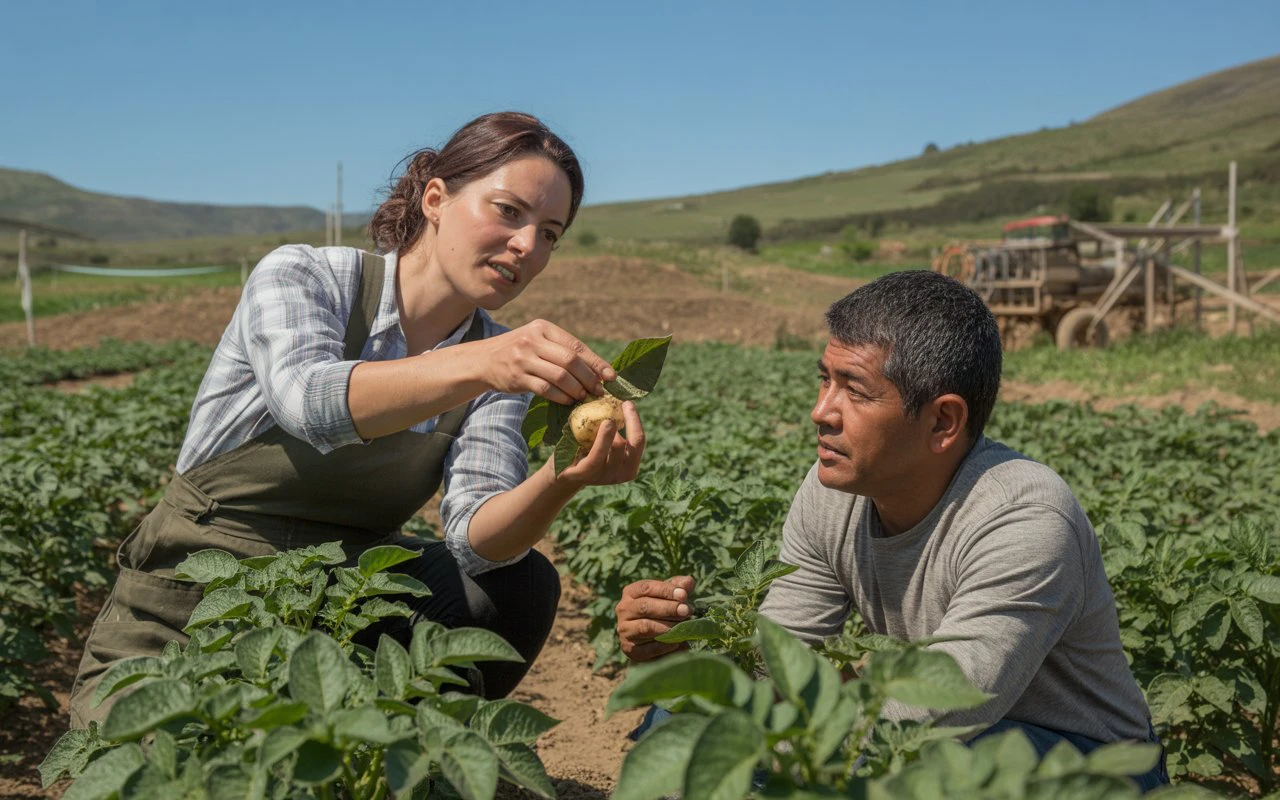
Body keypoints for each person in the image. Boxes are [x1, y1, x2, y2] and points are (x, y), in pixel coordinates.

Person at [71, 112, 646, 726]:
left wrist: (563, 477)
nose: (528, 246)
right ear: (435, 199)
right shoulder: (305, 276)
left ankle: (391, 739)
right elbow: (307, 401)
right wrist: (484, 362)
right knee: (164, 762)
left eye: (550, 233)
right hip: (195, 603)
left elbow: (478, 541)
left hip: (339, 605)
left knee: (519, 583)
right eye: (509, 211)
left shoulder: (495, 364)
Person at [616, 270, 1168, 790]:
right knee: (688, 718)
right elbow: (780, 656)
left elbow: (936, 711)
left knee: (922, 774)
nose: (821, 411)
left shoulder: (1023, 518)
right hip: (936, 741)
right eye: (824, 380)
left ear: (942, 422)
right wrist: (692, 649)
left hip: (1089, 768)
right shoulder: (831, 491)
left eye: (855, 390)